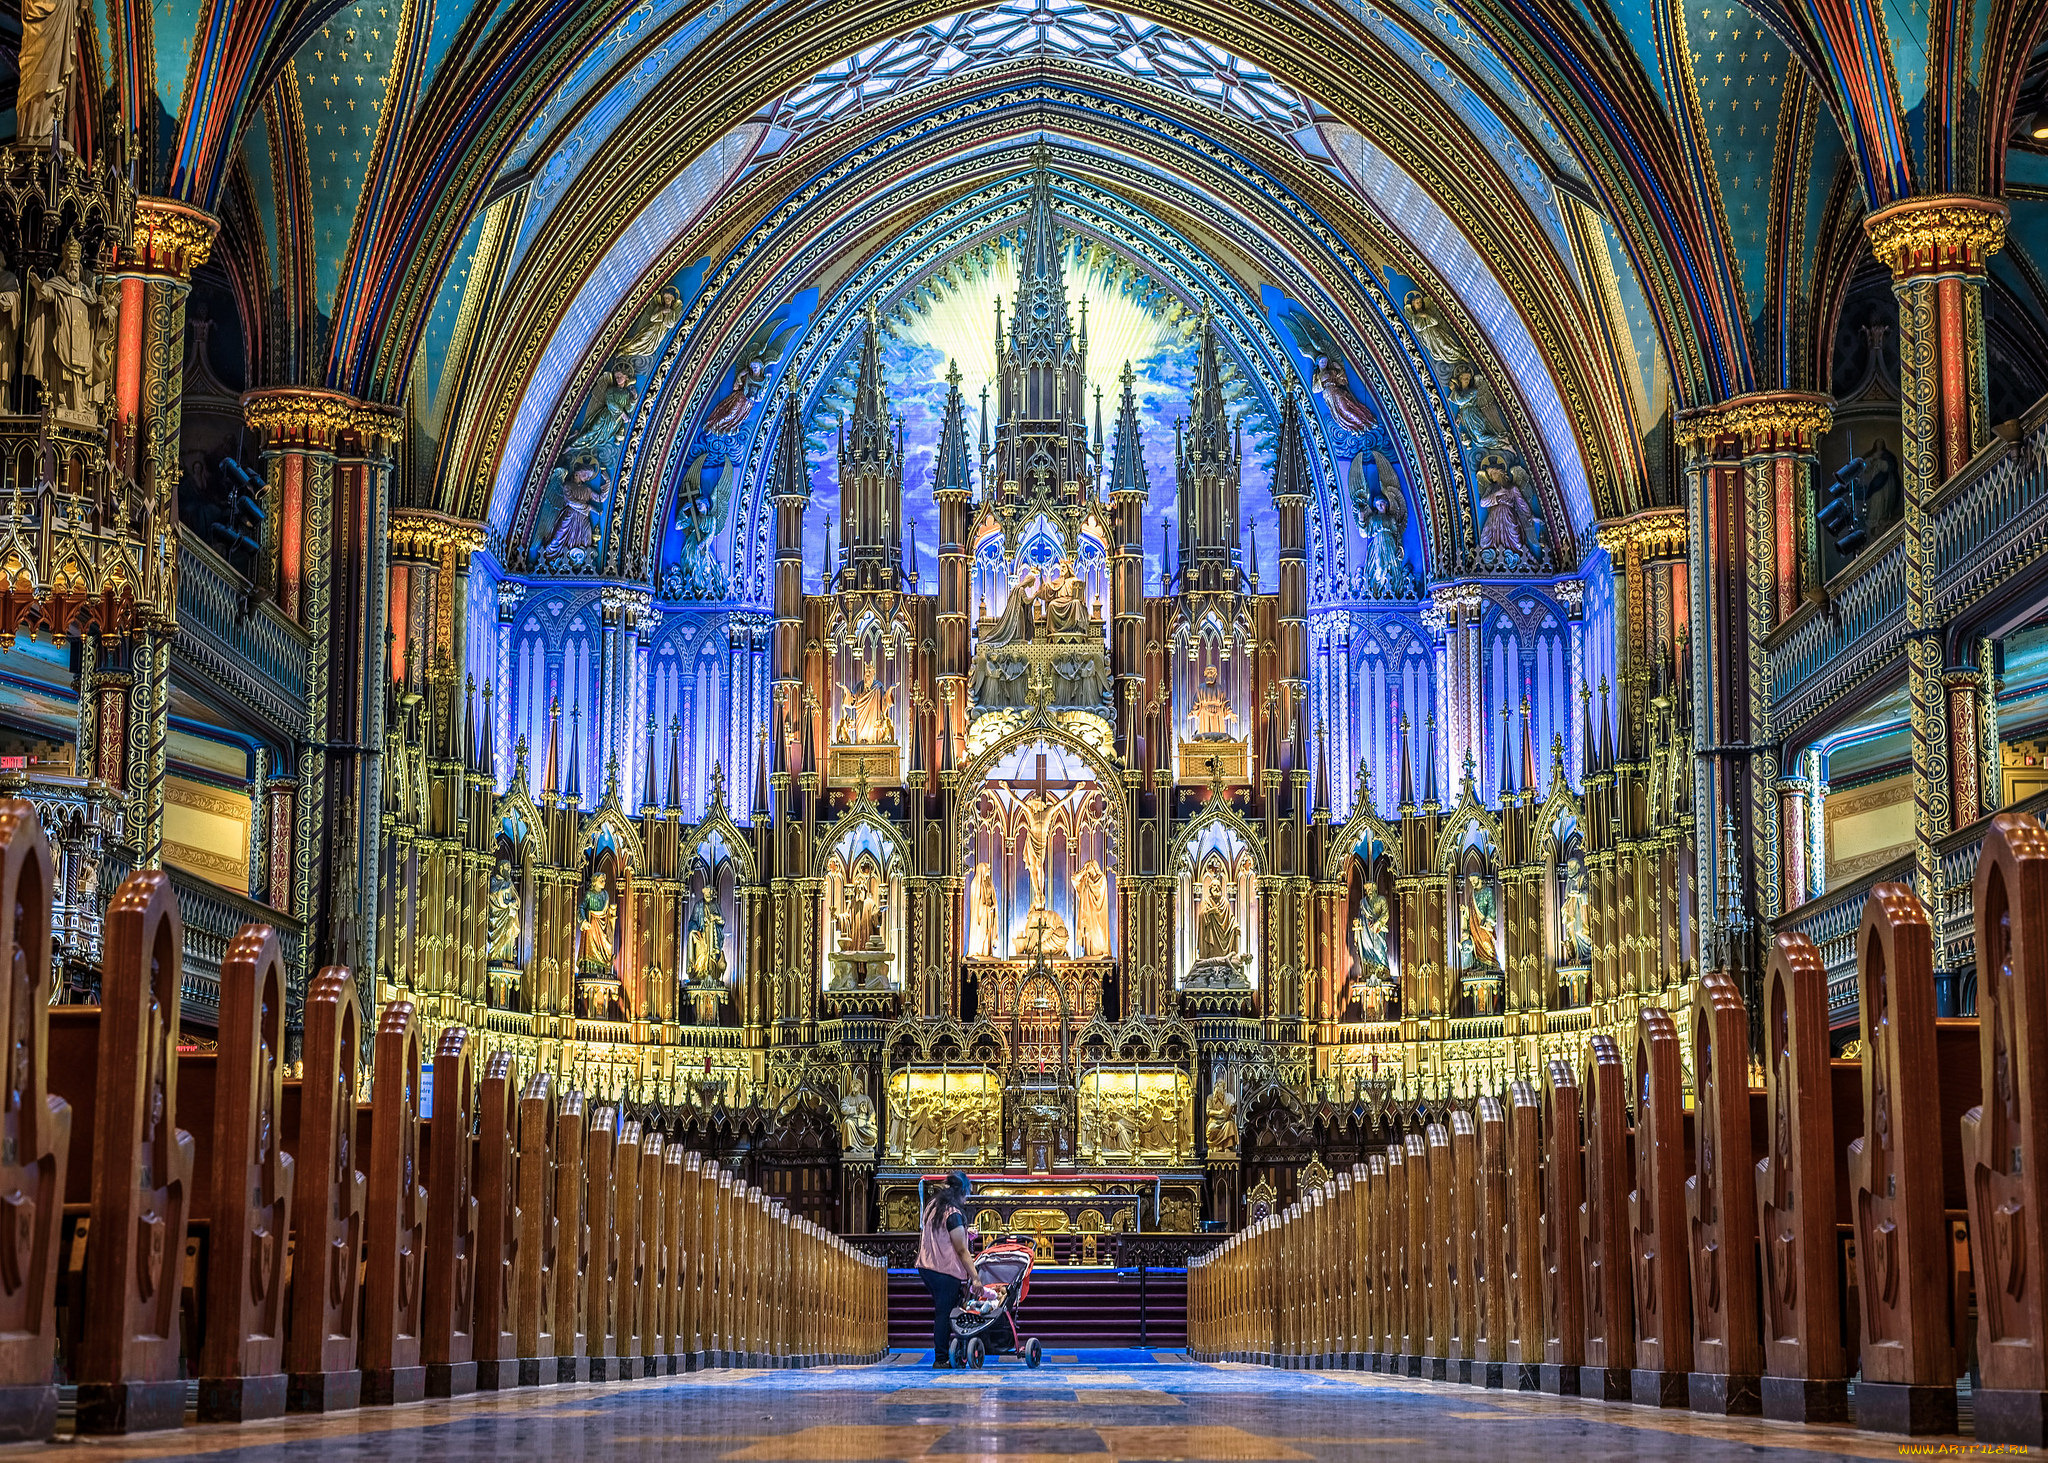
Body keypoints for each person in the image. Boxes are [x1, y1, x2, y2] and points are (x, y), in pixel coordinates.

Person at [916, 1170, 978, 1367]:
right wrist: (975, 1277)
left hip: (927, 1266)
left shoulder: (934, 1206)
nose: (967, 1199)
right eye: (967, 1194)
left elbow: (941, 1235)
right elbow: (961, 1250)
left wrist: (966, 1234)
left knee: (944, 1310)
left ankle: (948, 1352)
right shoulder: (953, 1213)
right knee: (944, 1313)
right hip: (944, 1270)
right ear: (961, 1193)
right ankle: (941, 1358)